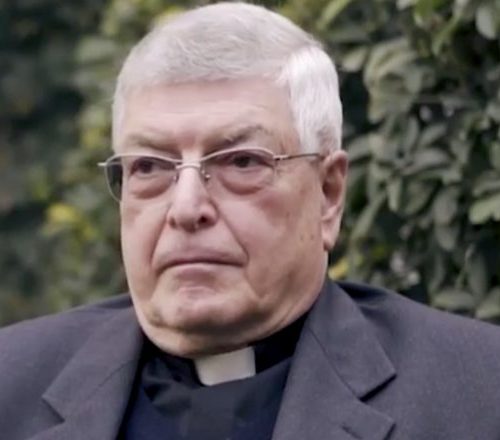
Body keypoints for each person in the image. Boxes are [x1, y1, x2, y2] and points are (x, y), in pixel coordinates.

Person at [2, 2, 500, 439]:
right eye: (149, 167)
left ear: (328, 194)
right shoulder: (12, 383)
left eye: (241, 161)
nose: (185, 208)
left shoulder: (478, 393)